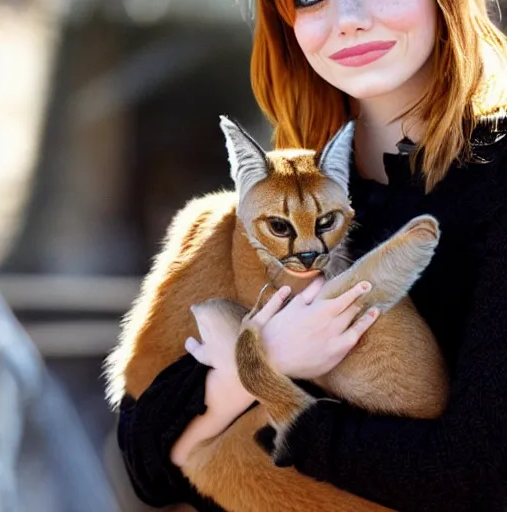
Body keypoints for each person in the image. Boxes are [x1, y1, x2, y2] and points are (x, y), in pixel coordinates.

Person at [115, 1, 507, 511]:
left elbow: (475, 474)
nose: (349, 17)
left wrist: (265, 409)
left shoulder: (494, 188)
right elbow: (146, 462)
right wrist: (267, 358)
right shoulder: (260, 209)